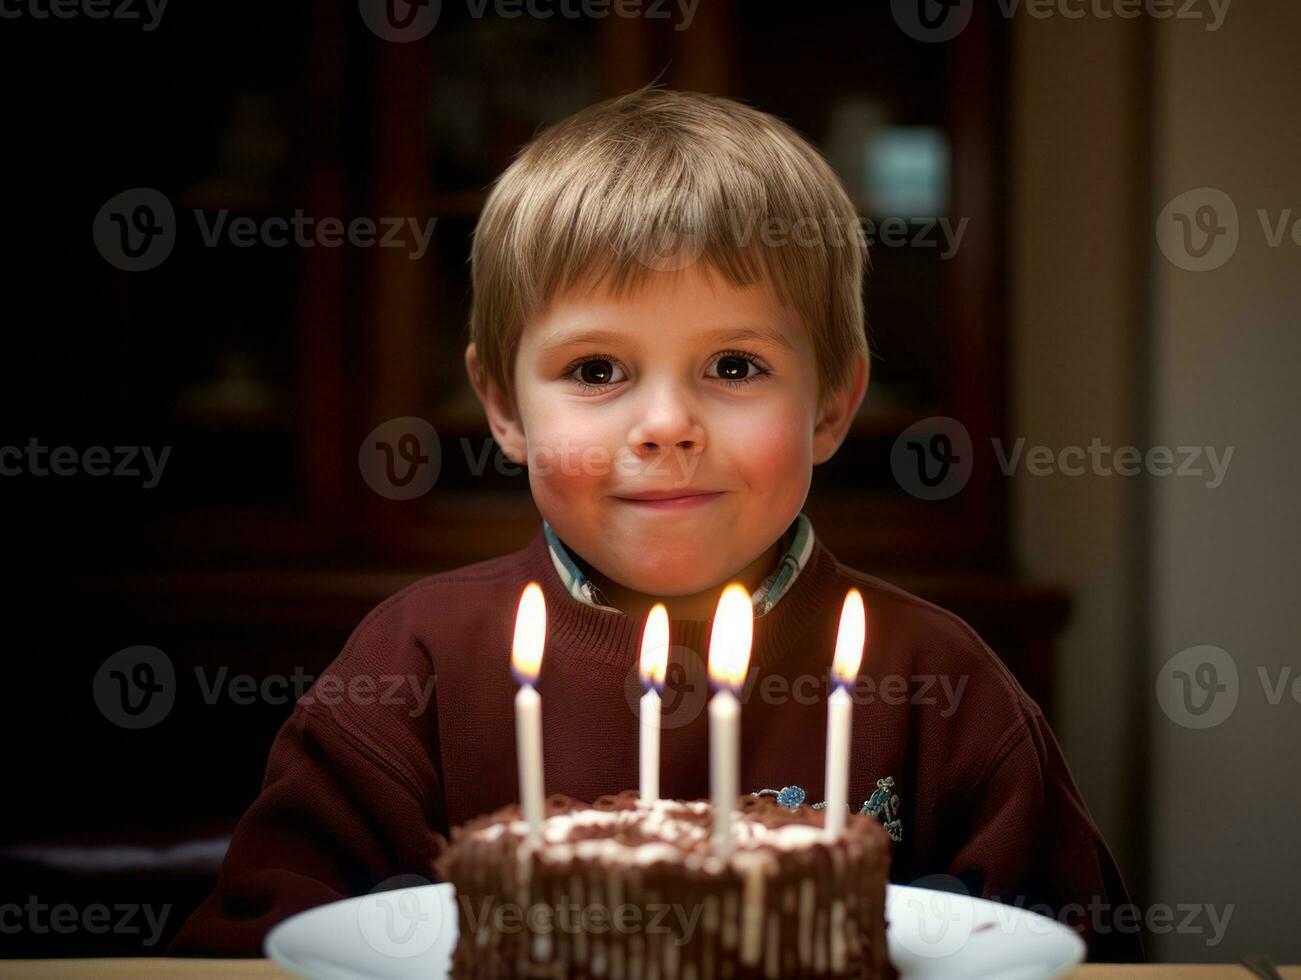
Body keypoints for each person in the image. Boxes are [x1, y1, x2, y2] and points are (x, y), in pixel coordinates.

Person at [171, 85, 1142, 963]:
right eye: (596, 369)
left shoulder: (939, 678)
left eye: (733, 365)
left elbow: (1067, 942)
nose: (667, 425)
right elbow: (261, 939)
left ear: (833, 404)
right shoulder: (413, 660)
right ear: (502, 406)